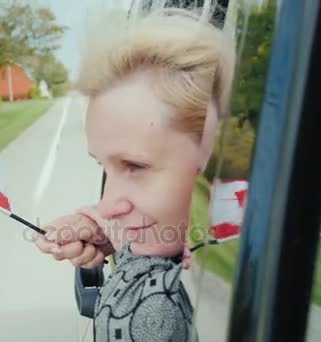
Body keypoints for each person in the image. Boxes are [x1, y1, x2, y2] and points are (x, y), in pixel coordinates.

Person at [33, 1, 235, 340]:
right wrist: (100, 227)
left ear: (213, 164)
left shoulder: (170, 309)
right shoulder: (175, 236)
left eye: (135, 166)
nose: (109, 204)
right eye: (105, 167)